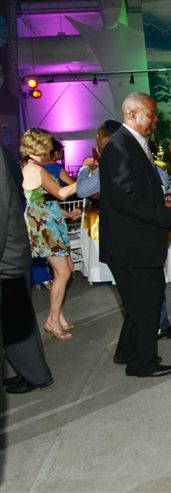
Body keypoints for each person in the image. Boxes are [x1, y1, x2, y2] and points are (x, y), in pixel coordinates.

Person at [99, 92, 171, 377]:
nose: (155, 119)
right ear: (132, 114)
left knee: (139, 303)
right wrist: (167, 215)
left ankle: (127, 351)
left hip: (135, 243)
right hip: (131, 245)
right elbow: (124, 199)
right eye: (151, 114)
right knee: (147, 303)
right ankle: (142, 363)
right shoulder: (120, 147)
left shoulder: (131, 143)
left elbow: (135, 190)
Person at [1, 144, 53, 394]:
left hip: (7, 259)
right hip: (11, 254)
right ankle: (31, 372)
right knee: (16, 322)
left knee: (16, 322)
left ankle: (35, 375)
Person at [20, 128, 78, 341]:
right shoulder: (36, 168)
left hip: (49, 221)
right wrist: (85, 178)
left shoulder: (33, 166)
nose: (50, 146)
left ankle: (58, 315)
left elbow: (42, 200)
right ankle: (52, 321)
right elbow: (61, 193)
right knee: (63, 271)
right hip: (45, 226)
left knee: (66, 268)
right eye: (47, 143)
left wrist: (66, 214)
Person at [76, 120, 122, 200]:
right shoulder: (122, 158)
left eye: (98, 134)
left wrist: (85, 166)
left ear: (106, 140)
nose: (96, 137)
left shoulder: (110, 164)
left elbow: (81, 191)